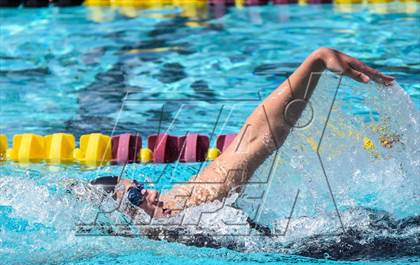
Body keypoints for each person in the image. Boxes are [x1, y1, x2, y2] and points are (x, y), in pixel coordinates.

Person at [91, 48, 394, 220]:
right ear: (122, 220)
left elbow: (252, 141)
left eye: (141, 186)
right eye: (135, 195)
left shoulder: (186, 202)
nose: (151, 192)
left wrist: (316, 63)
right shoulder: (167, 225)